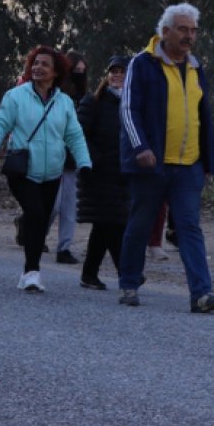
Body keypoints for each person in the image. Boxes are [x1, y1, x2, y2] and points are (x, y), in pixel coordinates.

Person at [116, 3, 214, 313]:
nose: (189, 36)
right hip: (151, 165)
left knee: (189, 227)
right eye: (182, 29)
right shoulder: (142, 64)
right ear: (165, 31)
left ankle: (201, 294)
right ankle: (129, 283)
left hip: (188, 166)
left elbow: (202, 115)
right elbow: (127, 110)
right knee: (140, 224)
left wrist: (208, 161)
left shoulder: (195, 67)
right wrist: (140, 148)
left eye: (193, 30)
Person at [0, 46, 91, 293]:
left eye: (44, 64)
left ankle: (29, 270)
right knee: (36, 214)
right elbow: (0, 126)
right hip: (22, 171)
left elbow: (74, 135)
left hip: (53, 172)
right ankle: (32, 272)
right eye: (35, 63)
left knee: (39, 221)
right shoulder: (15, 96)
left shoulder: (63, 102)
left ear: (56, 72)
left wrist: (85, 163)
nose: (38, 68)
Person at [75, 55, 131, 290]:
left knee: (105, 225)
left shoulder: (134, 103)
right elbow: (78, 133)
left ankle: (89, 274)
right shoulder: (93, 101)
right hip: (98, 174)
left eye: (122, 71)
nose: (117, 75)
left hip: (123, 174)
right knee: (113, 223)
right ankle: (127, 274)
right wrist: (94, 159)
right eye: (113, 71)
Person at [44, 49, 88, 265]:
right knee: (52, 204)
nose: (79, 75)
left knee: (69, 206)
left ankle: (64, 248)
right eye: (75, 70)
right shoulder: (56, 96)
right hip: (52, 156)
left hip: (73, 160)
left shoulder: (86, 99)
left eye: (82, 71)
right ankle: (35, 232)